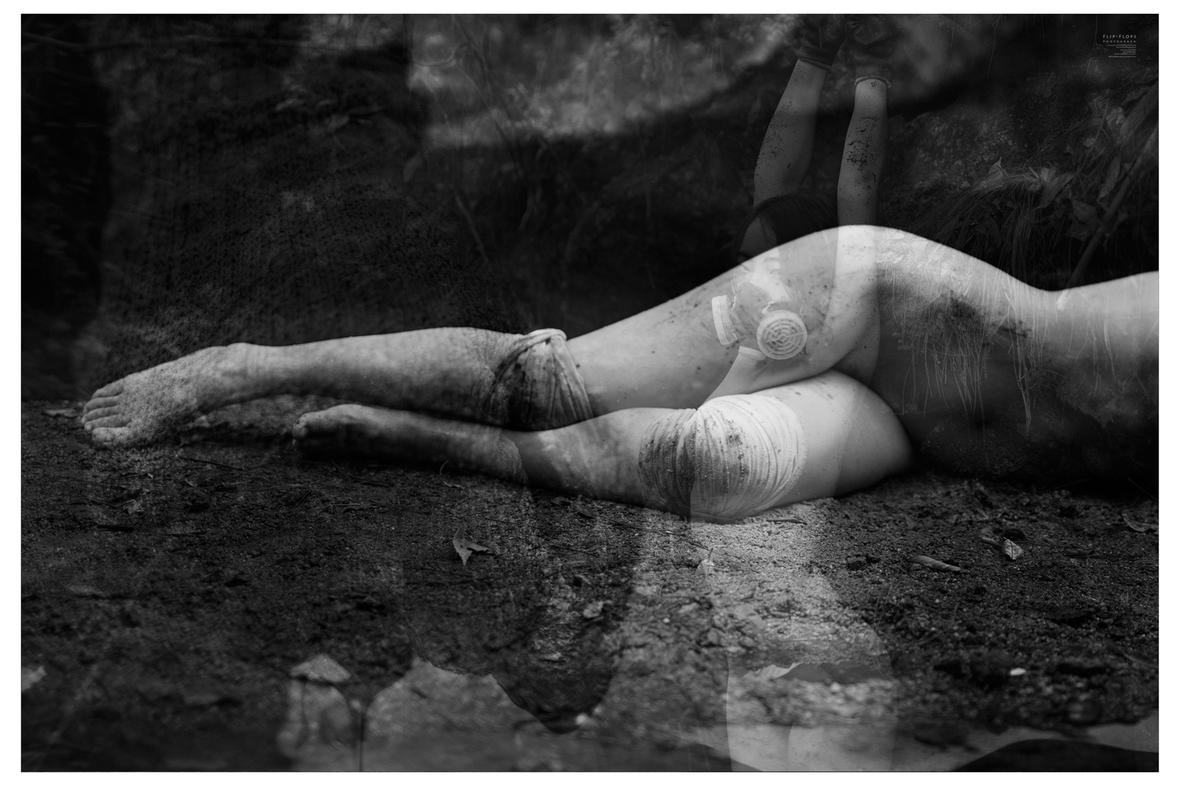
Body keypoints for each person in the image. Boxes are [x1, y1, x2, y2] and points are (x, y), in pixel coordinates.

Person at [81, 19, 1158, 522]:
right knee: (547, 386)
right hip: (894, 310)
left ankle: (431, 442)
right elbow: (825, 181)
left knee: (716, 465)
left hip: (926, 432)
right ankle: (244, 366)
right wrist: (844, 81)